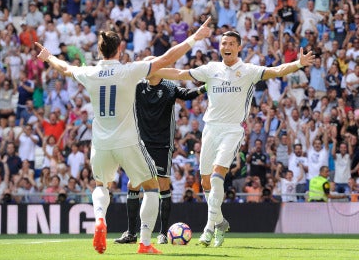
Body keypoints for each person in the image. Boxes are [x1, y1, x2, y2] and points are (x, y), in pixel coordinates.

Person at [34, 17, 211, 255]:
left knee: (101, 185)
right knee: (150, 187)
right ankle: (146, 243)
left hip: (100, 143)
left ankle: (99, 219)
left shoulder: (90, 72)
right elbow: (167, 59)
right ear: (120, 49)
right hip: (128, 141)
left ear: (99, 50)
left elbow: (65, 68)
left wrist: (48, 57)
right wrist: (194, 37)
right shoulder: (130, 70)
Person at [154, 30, 314, 247]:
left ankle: (209, 228)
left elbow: (276, 71)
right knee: (205, 181)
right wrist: (152, 70)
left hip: (232, 129)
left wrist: (298, 63)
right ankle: (220, 222)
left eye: (230, 43)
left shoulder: (248, 70)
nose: (226, 46)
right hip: (210, 128)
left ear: (239, 47)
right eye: (223, 43)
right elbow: (181, 74)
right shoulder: (211, 69)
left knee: (219, 173)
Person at [114, 57, 206, 245]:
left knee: (163, 186)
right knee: (133, 184)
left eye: (148, 66)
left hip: (162, 144)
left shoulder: (169, 87)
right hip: (140, 144)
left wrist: (206, 87)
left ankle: (163, 233)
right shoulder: (137, 87)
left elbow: (188, 94)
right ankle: (131, 233)